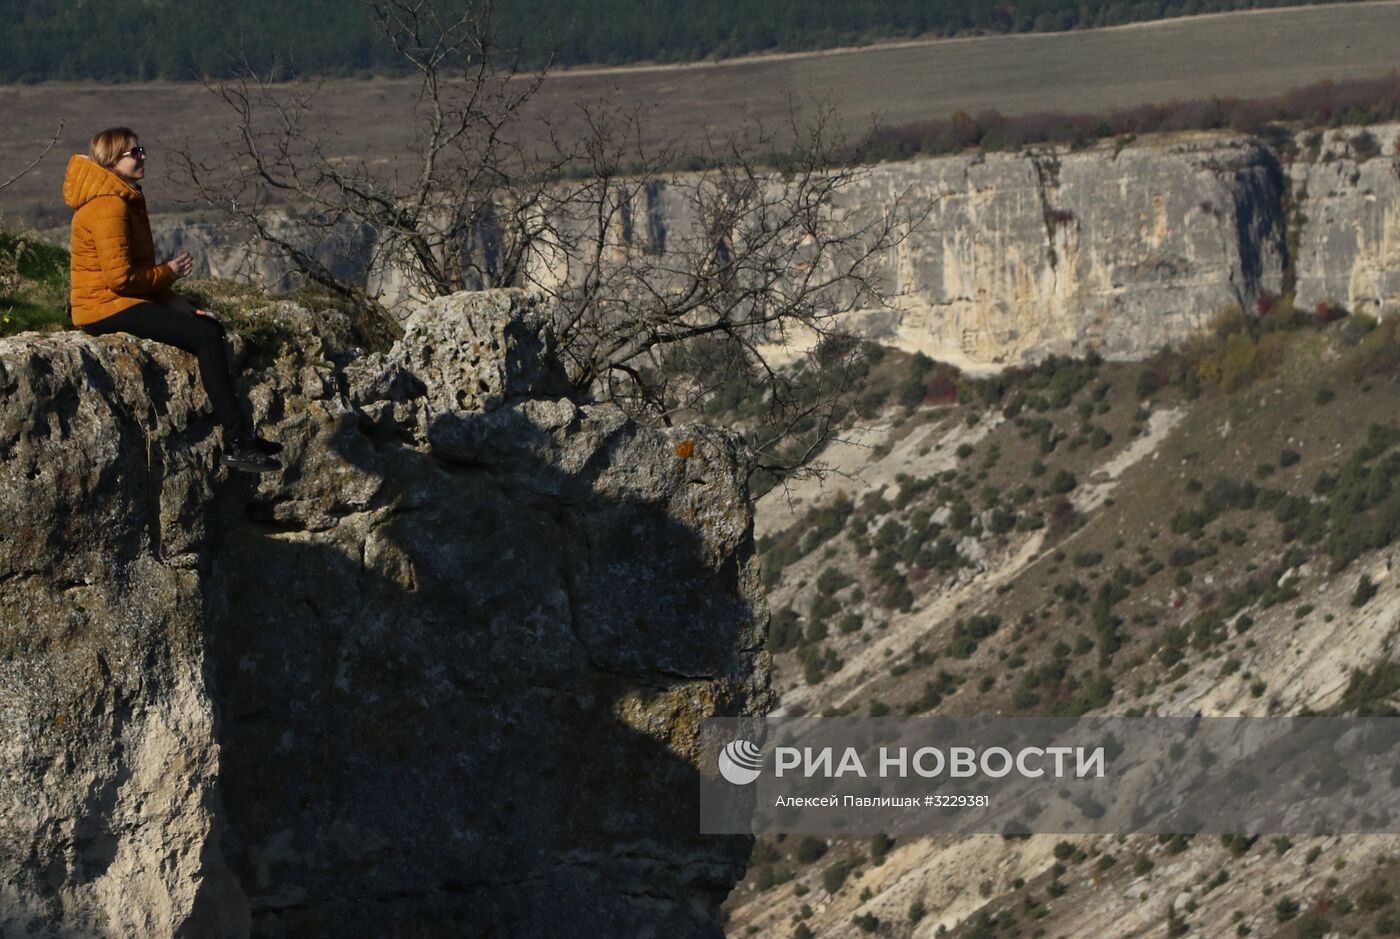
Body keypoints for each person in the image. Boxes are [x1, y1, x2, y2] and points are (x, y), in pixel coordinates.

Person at [64, 127, 281, 473]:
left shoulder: (121, 199)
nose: (143, 156)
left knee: (209, 326)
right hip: (103, 308)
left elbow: (132, 269)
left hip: (113, 301)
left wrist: (169, 299)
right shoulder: (109, 207)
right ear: (111, 161)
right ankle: (237, 442)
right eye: (134, 153)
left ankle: (243, 436)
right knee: (206, 337)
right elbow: (119, 280)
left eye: (141, 149)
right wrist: (169, 272)